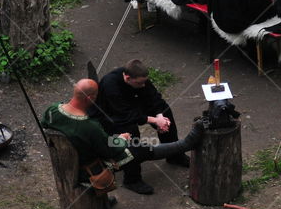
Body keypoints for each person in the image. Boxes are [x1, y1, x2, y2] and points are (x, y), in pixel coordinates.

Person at [42, 79, 203, 193]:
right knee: (136, 149)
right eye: (96, 96)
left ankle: (175, 150)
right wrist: (121, 139)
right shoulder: (89, 126)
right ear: (90, 98)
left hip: (68, 155)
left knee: (129, 140)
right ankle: (184, 145)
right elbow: (109, 150)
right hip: (88, 166)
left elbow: (45, 124)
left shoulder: (53, 110)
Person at [92, 61, 188, 195]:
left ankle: (174, 155)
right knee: (130, 132)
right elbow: (124, 114)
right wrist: (155, 120)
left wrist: (160, 117)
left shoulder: (139, 77)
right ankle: (132, 179)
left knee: (165, 112)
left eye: (144, 82)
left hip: (131, 106)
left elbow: (154, 97)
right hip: (111, 116)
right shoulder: (110, 85)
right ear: (127, 78)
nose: (143, 85)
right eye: (139, 83)